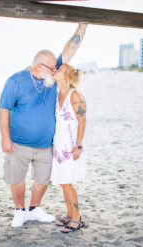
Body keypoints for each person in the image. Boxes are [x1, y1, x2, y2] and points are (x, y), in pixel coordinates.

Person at [0, 23, 88, 228]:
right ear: (41, 66)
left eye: (57, 68)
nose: (55, 69)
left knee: (47, 180)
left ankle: (36, 209)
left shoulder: (53, 82)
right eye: (52, 68)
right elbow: (3, 109)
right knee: (18, 177)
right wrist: (5, 138)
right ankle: (20, 211)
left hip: (49, 146)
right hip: (21, 143)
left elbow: (69, 49)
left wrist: (83, 25)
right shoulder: (16, 81)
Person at [51, 63, 87, 233]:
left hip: (71, 146)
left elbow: (82, 121)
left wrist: (78, 146)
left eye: (59, 69)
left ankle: (77, 218)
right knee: (62, 183)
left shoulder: (75, 95)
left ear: (66, 75)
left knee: (67, 182)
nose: (55, 71)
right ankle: (69, 214)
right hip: (58, 146)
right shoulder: (58, 94)